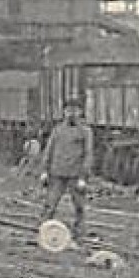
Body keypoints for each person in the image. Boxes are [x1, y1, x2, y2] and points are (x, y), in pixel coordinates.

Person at [39, 97, 95, 240]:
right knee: (50, 205)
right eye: (68, 110)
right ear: (64, 112)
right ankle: (44, 232)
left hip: (75, 174)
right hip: (56, 173)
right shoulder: (57, 130)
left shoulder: (86, 131)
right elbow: (49, 150)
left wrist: (83, 176)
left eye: (75, 110)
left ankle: (79, 234)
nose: (71, 113)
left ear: (80, 112)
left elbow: (88, 154)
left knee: (79, 207)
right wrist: (44, 171)